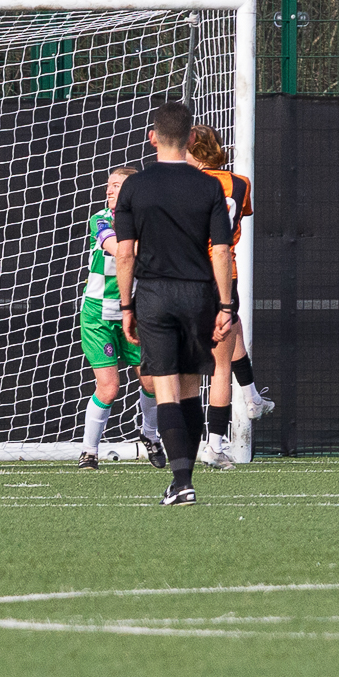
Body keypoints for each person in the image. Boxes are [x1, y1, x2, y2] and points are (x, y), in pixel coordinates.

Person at [113, 102, 236, 506]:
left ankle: (181, 482)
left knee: (165, 389)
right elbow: (221, 252)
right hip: (197, 294)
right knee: (189, 390)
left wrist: (127, 307)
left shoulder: (134, 187)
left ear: (152, 137)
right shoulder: (209, 186)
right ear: (191, 138)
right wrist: (225, 306)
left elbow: (125, 254)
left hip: (153, 295)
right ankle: (184, 480)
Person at [187, 125, 276, 450]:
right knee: (230, 326)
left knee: (209, 366)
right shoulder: (241, 183)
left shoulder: (188, 183)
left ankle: (211, 441)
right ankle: (250, 397)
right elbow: (241, 214)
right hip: (226, 276)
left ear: (195, 150)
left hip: (190, 273)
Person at [77, 167, 164, 471]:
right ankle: (89, 452)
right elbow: (119, 250)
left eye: (116, 185)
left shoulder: (150, 221)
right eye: (109, 185)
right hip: (98, 315)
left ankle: (150, 436)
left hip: (136, 314)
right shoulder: (101, 219)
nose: (109, 190)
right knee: (109, 387)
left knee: (152, 382)